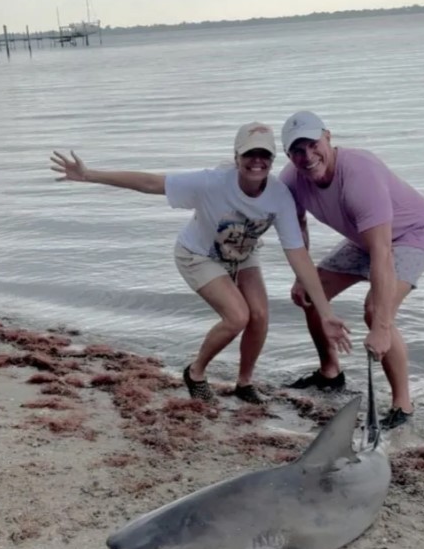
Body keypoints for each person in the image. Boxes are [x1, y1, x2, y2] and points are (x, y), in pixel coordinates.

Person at [50, 121, 351, 404]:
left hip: (243, 252)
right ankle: (195, 373)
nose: (256, 162)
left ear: (273, 160)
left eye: (264, 155)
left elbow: (298, 255)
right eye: (249, 154)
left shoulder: (279, 197)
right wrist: (90, 175)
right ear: (236, 157)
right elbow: (151, 182)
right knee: (237, 317)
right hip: (198, 254)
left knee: (259, 314)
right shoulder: (211, 183)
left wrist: (325, 313)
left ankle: (244, 384)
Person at [278, 110, 424, 429]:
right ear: (288, 154)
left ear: (328, 137)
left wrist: (380, 327)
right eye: (297, 150)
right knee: (311, 294)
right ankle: (330, 373)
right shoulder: (291, 180)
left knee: (375, 310)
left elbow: (382, 252)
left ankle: (402, 405)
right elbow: (298, 228)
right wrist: (302, 276)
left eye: (312, 144)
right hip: (364, 237)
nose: (307, 156)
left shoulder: (359, 173)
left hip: (410, 235)